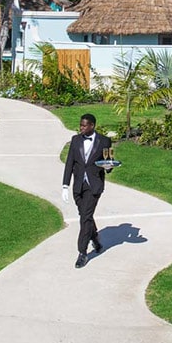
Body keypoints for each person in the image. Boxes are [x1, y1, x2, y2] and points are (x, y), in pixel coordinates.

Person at [61, 113, 112, 268]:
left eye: (84, 125)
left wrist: (108, 167)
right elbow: (69, 163)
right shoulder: (75, 140)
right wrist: (65, 185)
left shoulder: (104, 141)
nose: (81, 128)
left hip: (94, 185)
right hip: (78, 186)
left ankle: (82, 252)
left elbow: (108, 162)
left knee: (85, 218)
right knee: (86, 215)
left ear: (92, 126)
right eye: (80, 125)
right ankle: (95, 239)